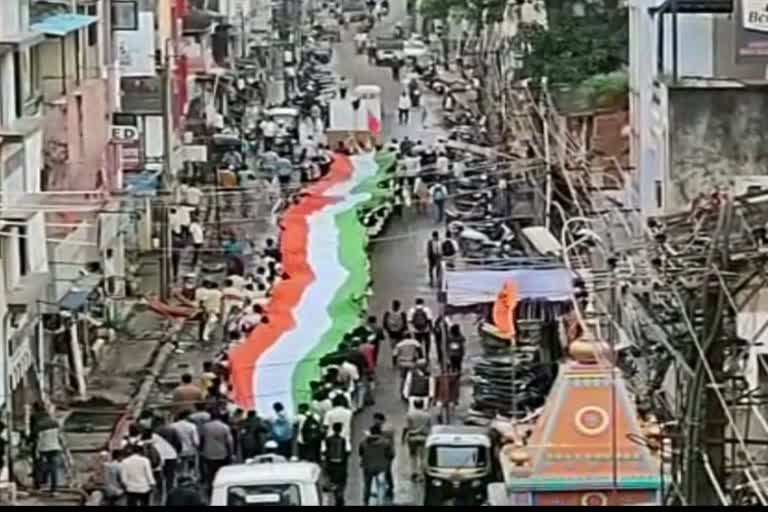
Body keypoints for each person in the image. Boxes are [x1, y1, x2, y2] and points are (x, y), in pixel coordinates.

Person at [359, 424, 395, 505]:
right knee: (381, 486)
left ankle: (366, 501)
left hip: (367, 467)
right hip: (381, 467)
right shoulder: (386, 442)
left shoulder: (363, 442)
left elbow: (361, 453)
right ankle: (380, 502)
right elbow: (391, 455)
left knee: (367, 485)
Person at [200, 412, 234, 489]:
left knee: (211, 473)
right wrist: (231, 454)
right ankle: (222, 487)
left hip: (208, 453)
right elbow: (229, 442)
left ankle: (211, 488)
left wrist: (201, 451)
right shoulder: (225, 427)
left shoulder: (205, 427)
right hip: (222, 454)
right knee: (222, 473)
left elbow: (201, 440)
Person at [403, 398, 432, 480]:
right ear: (422, 405)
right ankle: (422, 472)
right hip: (423, 437)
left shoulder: (409, 414)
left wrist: (403, 438)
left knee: (413, 456)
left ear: (414, 405)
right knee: (423, 456)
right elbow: (429, 426)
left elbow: (406, 427)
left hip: (412, 437)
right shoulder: (427, 415)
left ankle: (414, 472)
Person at [322, 422, 351, 506]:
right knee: (341, 482)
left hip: (331, 464)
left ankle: (336, 493)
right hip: (340, 465)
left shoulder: (328, 439)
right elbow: (347, 452)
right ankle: (339, 495)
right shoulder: (343, 440)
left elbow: (324, 451)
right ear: (340, 430)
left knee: (333, 480)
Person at [36, 413, 63, 494]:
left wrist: (37, 451)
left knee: (41, 467)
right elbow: (59, 437)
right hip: (55, 448)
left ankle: (41, 485)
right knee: (54, 469)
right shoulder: (56, 424)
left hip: (44, 449)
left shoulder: (40, 426)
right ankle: (54, 489)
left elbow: (39, 440)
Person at [372, 414, 396, 499]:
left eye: (375, 420)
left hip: (387, 453)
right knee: (386, 470)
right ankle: (387, 487)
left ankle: (389, 487)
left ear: (379, 420)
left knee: (387, 470)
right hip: (386, 452)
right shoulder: (385, 427)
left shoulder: (385, 429)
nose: (374, 422)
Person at [171, 410, 199, 479]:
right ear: (186, 417)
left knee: (178, 470)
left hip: (177, 451)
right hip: (190, 451)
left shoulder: (172, 426)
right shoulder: (192, 426)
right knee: (190, 469)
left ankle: (179, 480)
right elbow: (196, 441)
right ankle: (188, 480)